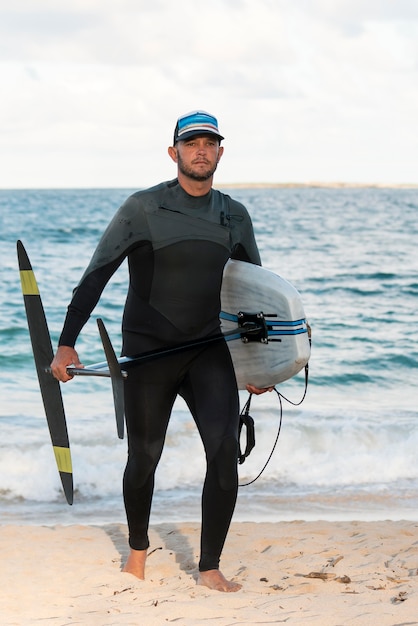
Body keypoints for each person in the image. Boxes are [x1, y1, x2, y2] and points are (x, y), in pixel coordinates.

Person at [51, 110, 270, 593]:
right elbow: (96, 275)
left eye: (209, 143)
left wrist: (258, 360)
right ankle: (136, 551)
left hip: (210, 351)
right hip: (149, 353)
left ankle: (209, 566)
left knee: (223, 455)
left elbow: (254, 293)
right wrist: (67, 342)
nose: (200, 151)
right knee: (144, 457)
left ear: (220, 152)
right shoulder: (142, 208)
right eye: (191, 143)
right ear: (174, 152)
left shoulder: (234, 214)